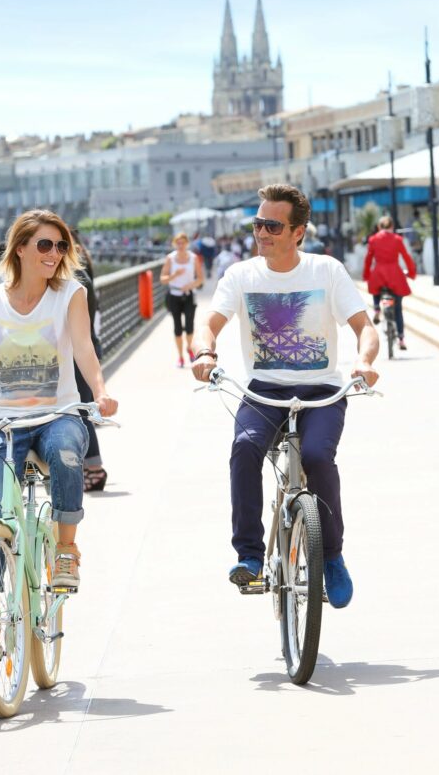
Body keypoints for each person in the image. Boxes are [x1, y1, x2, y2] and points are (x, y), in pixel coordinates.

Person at [190, 184, 379, 608]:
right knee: (244, 447)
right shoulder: (240, 275)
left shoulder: (326, 271)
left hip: (322, 390)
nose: (262, 232)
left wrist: (364, 362)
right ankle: (250, 556)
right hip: (265, 390)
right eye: (258, 223)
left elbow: (365, 327)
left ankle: (331, 556)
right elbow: (211, 323)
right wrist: (205, 351)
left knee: (316, 457)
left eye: (272, 225)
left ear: (298, 232)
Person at [0, 209, 118, 590]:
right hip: (3, 421)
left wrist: (100, 392)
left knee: (66, 451)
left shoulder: (71, 294)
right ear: (19, 249)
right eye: (44, 244)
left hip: (57, 414)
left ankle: (66, 549)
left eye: (61, 245)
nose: (54, 253)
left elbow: (83, 347)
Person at [70, 230, 109, 492]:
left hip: (80, 348)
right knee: (80, 407)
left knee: (81, 408)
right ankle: (90, 467)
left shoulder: (76, 278)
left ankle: (94, 468)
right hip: (87, 343)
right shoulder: (83, 265)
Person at [363, 215, 416, 350]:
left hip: (379, 272)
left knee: (376, 289)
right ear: (392, 227)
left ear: (379, 227)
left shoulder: (373, 240)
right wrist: (411, 273)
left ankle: (376, 307)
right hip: (395, 274)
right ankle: (401, 339)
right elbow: (406, 257)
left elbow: (368, 259)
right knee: (398, 309)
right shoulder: (398, 239)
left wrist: (366, 275)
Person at [160, 231, 205, 367]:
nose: (180, 245)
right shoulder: (170, 258)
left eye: (182, 243)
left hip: (189, 295)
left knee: (190, 326)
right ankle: (180, 357)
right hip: (174, 295)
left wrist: (190, 285)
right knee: (177, 327)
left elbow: (200, 278)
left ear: (187, 244)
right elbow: (162, 279)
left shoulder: (193, 258)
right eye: (178, 243)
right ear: (174, 244)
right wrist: (174, 275)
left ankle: (190, 350)